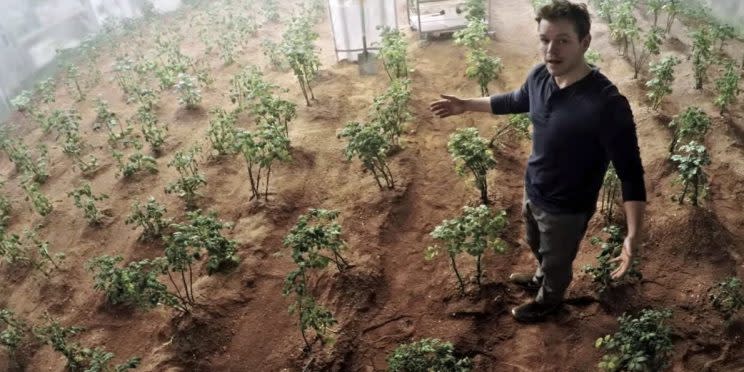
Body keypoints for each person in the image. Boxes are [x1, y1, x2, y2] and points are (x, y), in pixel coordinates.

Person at [429, 0, 646, 322]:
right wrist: (466, 105)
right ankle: (540, 276)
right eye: (545, 40)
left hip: (567, 207)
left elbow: (631, 173)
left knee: (557, 259)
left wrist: (633, 234)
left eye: (563, 41)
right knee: (536, 243)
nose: (551, 51)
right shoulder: (540, 77)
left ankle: (550, 299)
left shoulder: (606, 105)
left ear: (584, 42)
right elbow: (515, 100)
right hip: (534, 190)